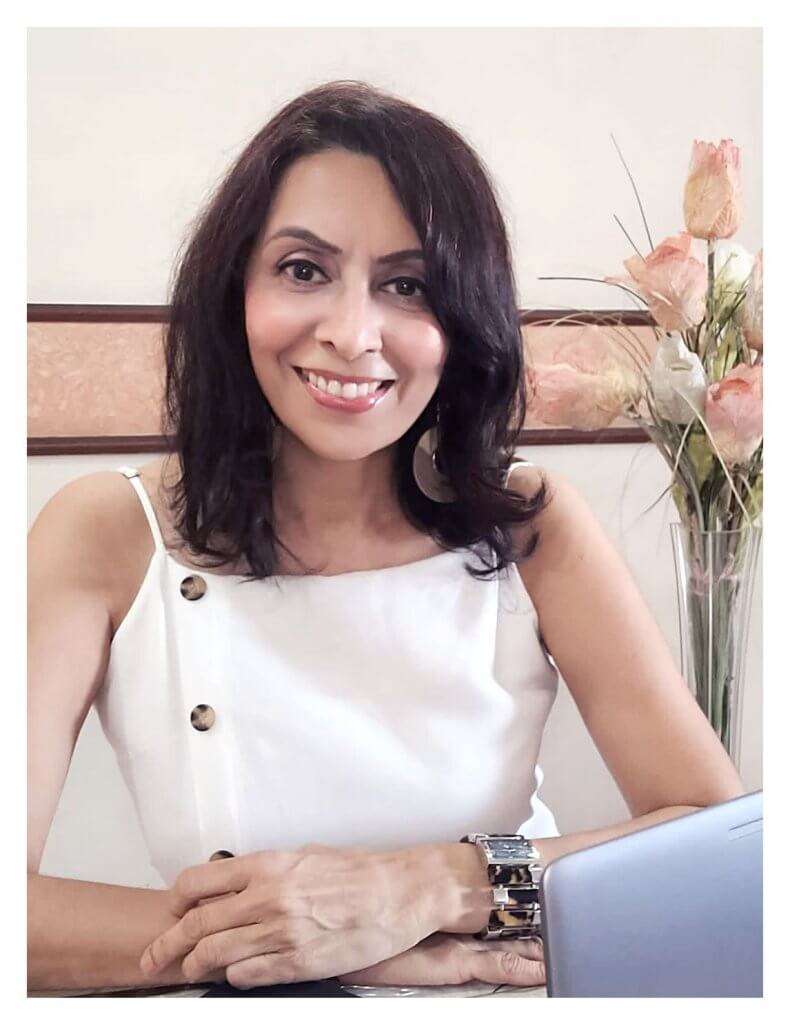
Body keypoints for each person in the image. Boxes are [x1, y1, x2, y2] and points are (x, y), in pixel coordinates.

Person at [28, 80, 745, 996]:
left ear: (462, 321)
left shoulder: (532, 525)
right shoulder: (106, 531)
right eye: (303, 270)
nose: (352, 333)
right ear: (234, 287)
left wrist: (431, 886)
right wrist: (344, 946)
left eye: (408, 285)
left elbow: (713, 841)